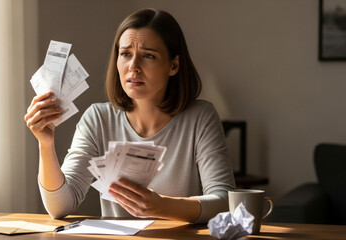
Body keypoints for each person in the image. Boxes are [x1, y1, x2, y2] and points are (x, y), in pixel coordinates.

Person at [24, 8, 235, 223]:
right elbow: (59, 207)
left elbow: (224, 201)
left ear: (174, 65)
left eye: (148, 56)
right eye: (125, 54)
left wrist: (162, 206)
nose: (133, 67)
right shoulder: (98, 119)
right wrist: (46, 144)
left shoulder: (200, 117)